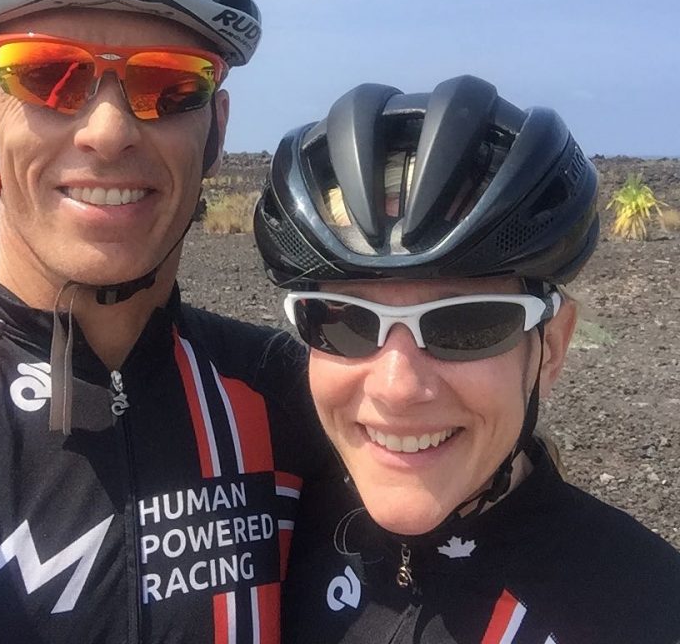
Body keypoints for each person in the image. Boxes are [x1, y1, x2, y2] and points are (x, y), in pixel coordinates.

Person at [0, 0, 326, 643]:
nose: (109, 131)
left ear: (215, 131)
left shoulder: (294, 406)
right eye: (48, 76)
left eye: (167, 86)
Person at [253, 75, 680, 643]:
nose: (397, 387)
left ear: (550, 347)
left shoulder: (649, 607)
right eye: (343, 320)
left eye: (466, 323)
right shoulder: (264, 544)